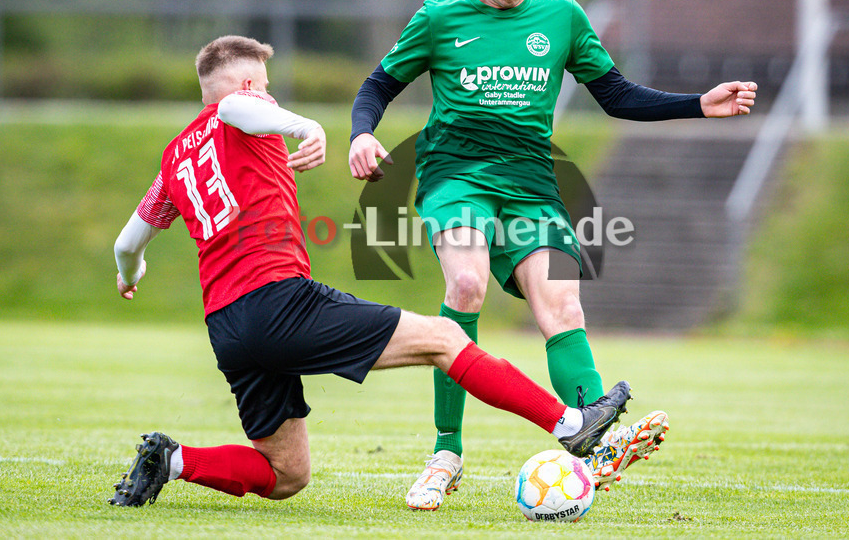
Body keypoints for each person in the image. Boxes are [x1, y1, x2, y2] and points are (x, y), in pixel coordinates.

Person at [348, 0, 757, 509]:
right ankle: (446, 451)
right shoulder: (438, 18)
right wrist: (362, 132)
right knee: (465, 286)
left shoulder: (562, 15)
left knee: (563, 302)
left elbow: (616, 95)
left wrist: (698, 103)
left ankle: (595, 436)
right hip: (456, 176)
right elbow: (379, 84)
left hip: (532, 183)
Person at [107, 35, 632, 508]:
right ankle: (571, 425)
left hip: (226, 326)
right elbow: (238, 109)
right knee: (445, 337)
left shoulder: (174, 158)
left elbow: (126, 242)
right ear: (247, 84)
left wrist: (131, 273)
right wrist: (306, 126)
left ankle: (171, 461)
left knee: (287, 474)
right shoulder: (241, 108)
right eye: (264, 86)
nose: (268, 95)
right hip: (278, 301)